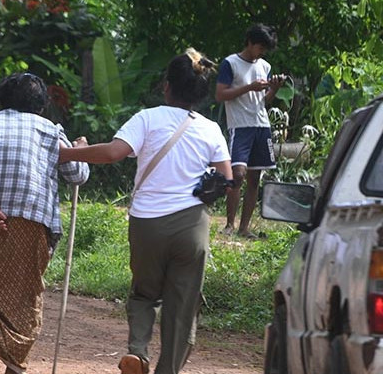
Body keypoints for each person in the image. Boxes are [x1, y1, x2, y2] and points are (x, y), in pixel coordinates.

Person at [60, 50, 232, 374]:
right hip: (191, 226)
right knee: (182, 306)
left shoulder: (147, 118)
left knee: (143, 294)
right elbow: (227, 177)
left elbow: (114, 153)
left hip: (147, 224)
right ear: (199, 92)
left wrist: (69, 153)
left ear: (167, 86)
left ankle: (138, 352)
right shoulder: (210, 129)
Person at [0, 72, 90, 374]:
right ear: (41, 105)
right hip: (31, 217)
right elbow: (77, 175)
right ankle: (14, 364)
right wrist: (80, 149)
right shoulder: (50, 131)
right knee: (25, 290)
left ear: (2, 99)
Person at [216, 23, 282, 239]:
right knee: (238, 174)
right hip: (240, 125)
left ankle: (244, 228)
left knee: (255, 178)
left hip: (261, 125)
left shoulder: (265, 66)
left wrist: (274, 88)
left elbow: (264, 101)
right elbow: (220, 95)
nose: (262, 52)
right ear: (250, 43)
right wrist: (249, 87)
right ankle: (229, 224)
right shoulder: (230, 63)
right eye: (260, 47)